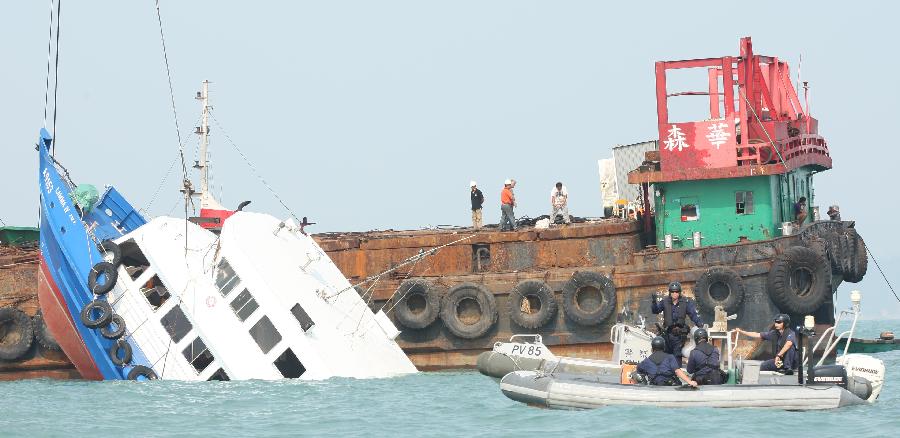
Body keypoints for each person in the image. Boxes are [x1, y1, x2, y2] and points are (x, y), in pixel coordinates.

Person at [651, 281, 703, 364]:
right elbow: (655, 310)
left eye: (676, 292)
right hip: (667, 334)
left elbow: (693, 315)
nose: (674, 294)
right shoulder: (665, 301)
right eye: (672, 292)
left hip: (678, 335)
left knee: (676, 357)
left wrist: (700, 324)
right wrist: (654, 302)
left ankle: (677, 375)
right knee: (665, 357)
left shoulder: (685, 302)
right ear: (670, 292)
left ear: (679, 292)